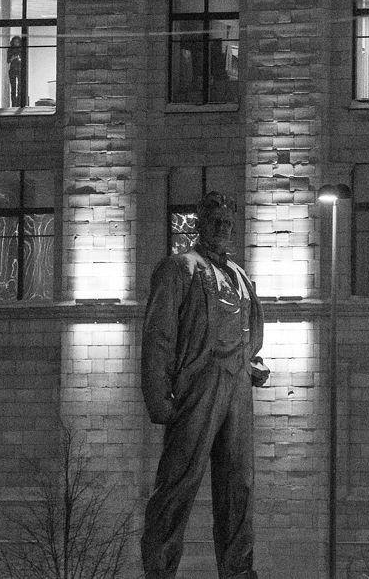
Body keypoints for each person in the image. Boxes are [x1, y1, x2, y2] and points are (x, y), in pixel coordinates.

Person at [141, 192, 269, 579]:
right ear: (200, 224)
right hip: (198, 384)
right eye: (216, 221)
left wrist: (251, 363)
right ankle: (159, 572)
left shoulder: (240, 276)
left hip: (236, 386)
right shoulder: (178, 268)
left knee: (238, 487)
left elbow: (246, 331)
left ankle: (239, 572)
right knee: (178, 483)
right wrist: (158, 396)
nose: (223, 228)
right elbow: (158, 335)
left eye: (228, 222)